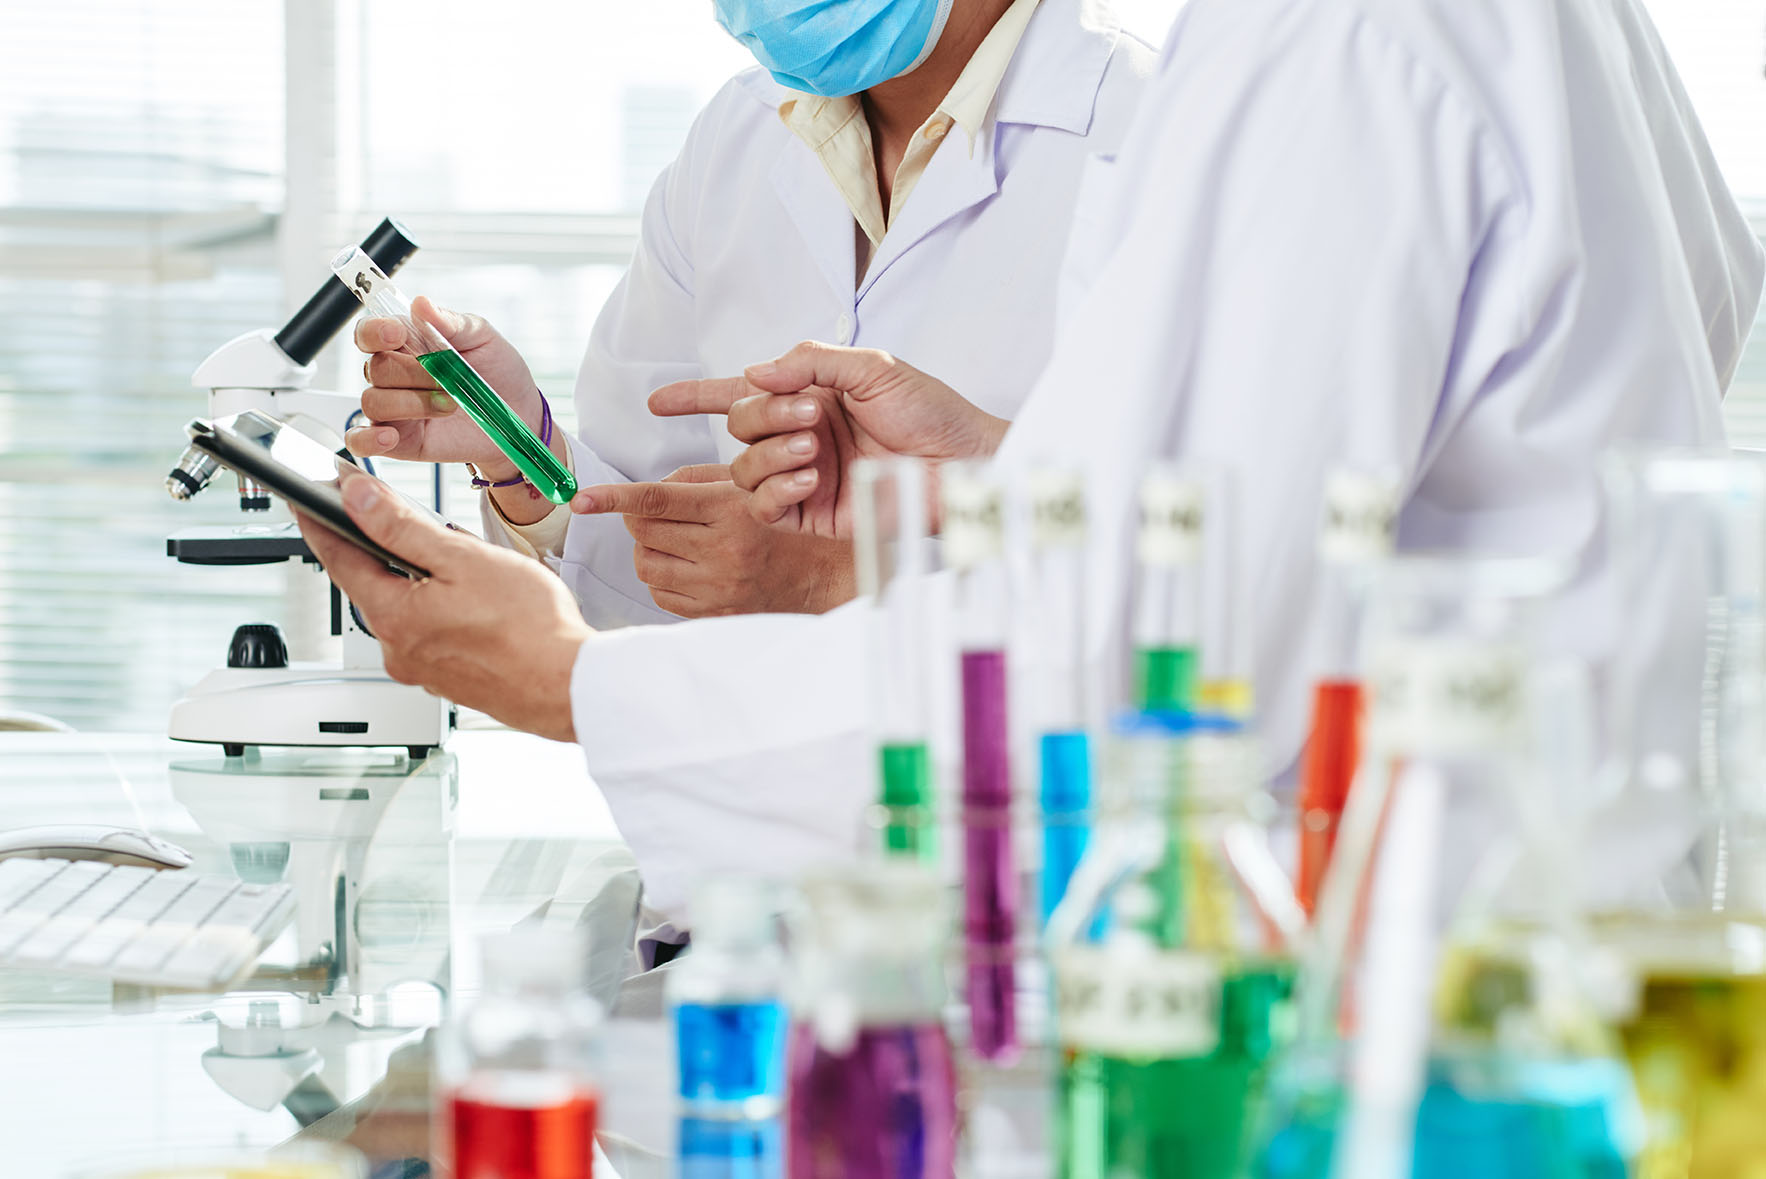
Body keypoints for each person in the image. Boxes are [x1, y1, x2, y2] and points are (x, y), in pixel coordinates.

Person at [298, 0, 1765, 922]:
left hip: (1437, 988)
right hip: (1547, 952)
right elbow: (1358, 482)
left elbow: (1123, 663)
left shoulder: (1325, 40)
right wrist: (1012, 478)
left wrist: (569, 684)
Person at [346, 0, 1152, 623]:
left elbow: (1216, 569)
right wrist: (526, 446)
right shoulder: (735, 136)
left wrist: (835, 579)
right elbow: (663, 547)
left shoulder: (1153, 139)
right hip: (763, 816)